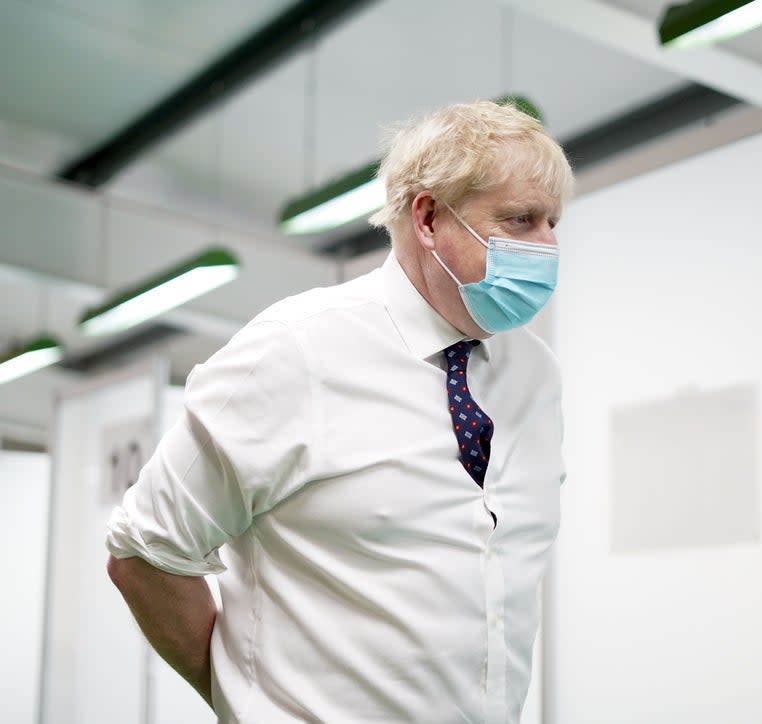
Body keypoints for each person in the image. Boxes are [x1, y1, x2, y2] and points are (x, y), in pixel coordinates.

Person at [105, 99, 574, 724]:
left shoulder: (535, 375)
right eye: (519, 221)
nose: (546, 247)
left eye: (552, 222)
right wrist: (243, 705)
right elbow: (144, 553)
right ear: (429, 217)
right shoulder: (295, 349)